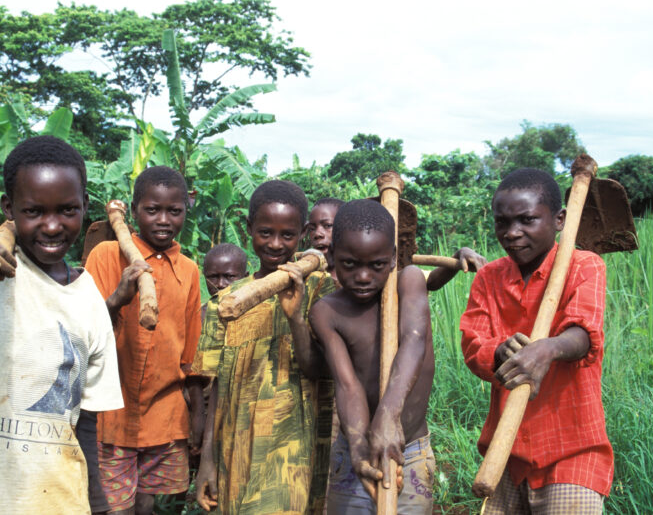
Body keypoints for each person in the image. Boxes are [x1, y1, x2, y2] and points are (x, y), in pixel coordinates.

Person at [0, 135, 124, 513]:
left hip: (55, 498)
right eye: (33, 212)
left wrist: (97, 502)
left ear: (84, 206)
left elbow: (88, 420)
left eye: (66, 210)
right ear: (9, 208)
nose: (51, 226)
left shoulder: (90, 297)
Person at [460, 168, 612, 514]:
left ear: (559, 219)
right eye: (502, 223)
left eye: (527, 220)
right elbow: (473, 346)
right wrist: (499, 352)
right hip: (505, 453)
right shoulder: (488, 277)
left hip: (572, 452)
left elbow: (585, 334)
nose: (512, 234)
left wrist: (548, 348)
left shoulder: (584, 266)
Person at [193, 179, 336, 514]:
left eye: (287, 235)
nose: (275, 244)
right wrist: (207, 462)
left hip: (295, 453)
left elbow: (320, 369)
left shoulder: (319, 288)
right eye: (265, 232)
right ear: (248, 229)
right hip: (236, 452)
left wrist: (295, 316)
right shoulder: (226, 302)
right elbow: (216, 390)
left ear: (302, 233)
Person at [84, 166, 204, 514]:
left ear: (185, 210)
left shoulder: (189, 271)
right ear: (134, 211)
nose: (163, 220)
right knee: (112, 508)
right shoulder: (106, 256)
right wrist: (117, 299)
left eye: (174, 211)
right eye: (152, 210)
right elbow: (84, 334)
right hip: (111, 418)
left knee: (154, 507)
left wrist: (196, 418)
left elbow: (191, 357)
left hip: (166, 420)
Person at [310, 199, 435, 514]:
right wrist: (357, 447)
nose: (363, 276)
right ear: (333, 255)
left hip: (410, 450)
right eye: (350, 264)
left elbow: (413, 342)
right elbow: (347, 384)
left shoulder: (409, 281)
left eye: (376, 265)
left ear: (393, 258)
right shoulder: (327, 312)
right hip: (356, 447)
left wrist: (389, 414)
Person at [307, 197, 485, 290]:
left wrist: (460, 253)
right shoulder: (307, 273)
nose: (317, 234)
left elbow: (431, 281)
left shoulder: (381, 272)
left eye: (328, 226)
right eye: (312, 228)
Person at [201, 243, 248, 322]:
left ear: (245, 278)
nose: (220, 284)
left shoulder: (259, 314)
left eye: (229, 276)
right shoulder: (197, 317)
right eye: (213, 276)